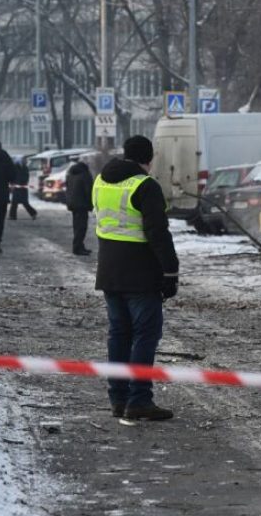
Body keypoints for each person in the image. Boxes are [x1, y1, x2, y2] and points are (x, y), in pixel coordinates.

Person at [93, 136, 179, 421]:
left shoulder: (101, 181)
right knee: (145, 335)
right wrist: (170, 271)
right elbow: (158, 232)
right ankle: (139, 399)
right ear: (149, 158)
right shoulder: (146, 185)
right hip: (140, 274)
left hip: (109, 271)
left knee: (118, 335)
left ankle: (118, 398)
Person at [65, 157, 93, 255]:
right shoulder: (85, 174)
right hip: (82, 204)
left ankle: (80, 246)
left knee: (76, 226)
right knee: (82, 227)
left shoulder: (71, 174)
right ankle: (77, 248)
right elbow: (89, 191)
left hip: (73, 204)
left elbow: (68, 189)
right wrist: (91, 204)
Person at [9, 156, 37, 220]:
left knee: (23, 202)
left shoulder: (24, 168)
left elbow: (23, 177)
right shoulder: (17, 167)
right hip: (18, 187)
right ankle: (12, 216)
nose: (26, 161)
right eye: (24, 160)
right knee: (15, 203)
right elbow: (14, 176)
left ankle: (33, 213)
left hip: (21, 187)